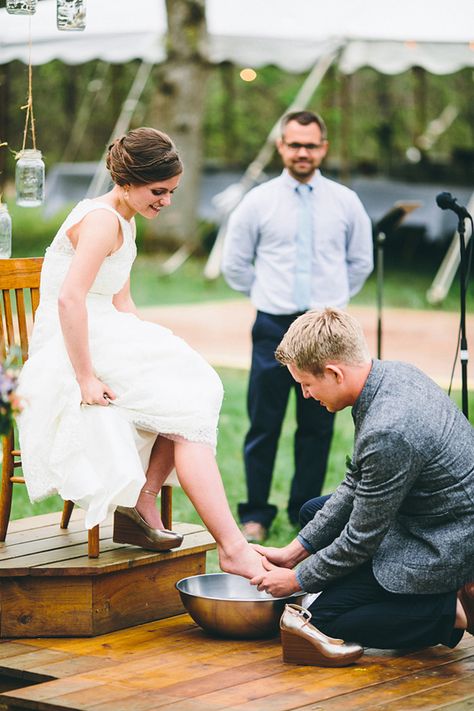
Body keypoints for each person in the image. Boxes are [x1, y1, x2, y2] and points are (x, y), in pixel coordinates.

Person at [18, 126, 264, 580]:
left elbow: (121, 301)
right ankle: (229, 545)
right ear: (127, 181)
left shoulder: (124, 218)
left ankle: (145, 499)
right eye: (159, 191)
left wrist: (157, 343)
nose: (166, 201)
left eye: (171, 192)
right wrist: (86, 378)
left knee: (194, 379)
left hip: (104, 327)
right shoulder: (101, 221)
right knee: (190, 401)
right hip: (70, 341)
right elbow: (70, 299)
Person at [251, 307, 474, 651]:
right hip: (425, 513)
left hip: (442, 542)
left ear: (333, 373)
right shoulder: (390, 374)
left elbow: (360, 540)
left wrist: (296, 579)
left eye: (307, 385)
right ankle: (380, 587)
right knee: (313, 512)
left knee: (324, 622)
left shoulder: (389, 428)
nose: (307, 395)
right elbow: (357, 482)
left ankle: (451, 608)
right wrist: (294, 552)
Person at [221, 110, 373, 542]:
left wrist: (331, 303)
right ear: (281, 146)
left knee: (317, 425)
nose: (302, 152)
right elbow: (235, 264)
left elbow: (360, 262)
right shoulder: (259, 201)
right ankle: (255, 514)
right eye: (294, 144)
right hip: (273, 325)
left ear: (323, 148)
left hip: (327, 332)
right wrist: (269, 296)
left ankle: (307, 514)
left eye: (310, 145)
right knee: (262, 423)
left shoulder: (345, 201)